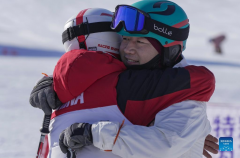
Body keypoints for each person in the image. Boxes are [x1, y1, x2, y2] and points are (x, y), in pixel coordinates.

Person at [30, 2, 218, 158]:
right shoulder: (131, 78)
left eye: (140, 42)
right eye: (125, 39)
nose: (127, 48)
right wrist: (54, 81)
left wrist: (94, 133)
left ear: (169, 48)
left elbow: (167, 145)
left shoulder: (186, 101)